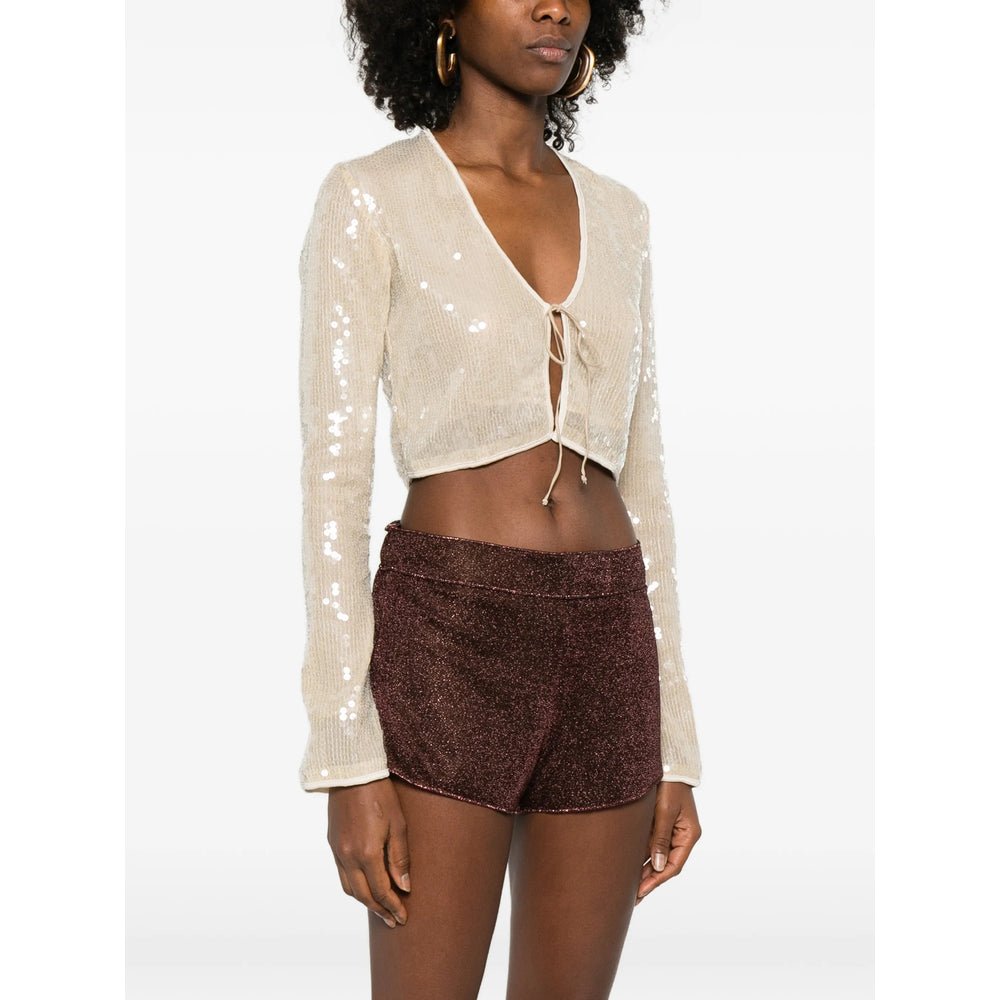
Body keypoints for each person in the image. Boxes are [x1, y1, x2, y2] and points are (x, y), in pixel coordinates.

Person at [296, 2, 703, 996]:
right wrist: (346, 753)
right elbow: (332, 481)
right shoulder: (372, 198)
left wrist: (674, 741)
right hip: (450, 635)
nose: (553, 6)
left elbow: (647, 481)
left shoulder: (621, 216)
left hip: (609, 643)